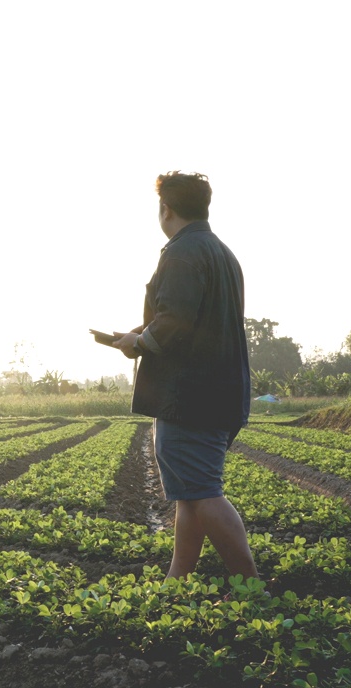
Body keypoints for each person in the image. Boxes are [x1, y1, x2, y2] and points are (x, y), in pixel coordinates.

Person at [111, 171, 258, 582]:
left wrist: (136, 344)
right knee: (190, 494)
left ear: (166, 209)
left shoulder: (180, 253)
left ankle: (252, 587)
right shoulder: (221, 252)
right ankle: (177, 580)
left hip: (189, 395)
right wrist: (141, 333)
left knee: (204, 492)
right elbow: (193, 319)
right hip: (220, 392)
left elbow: (174, 322)